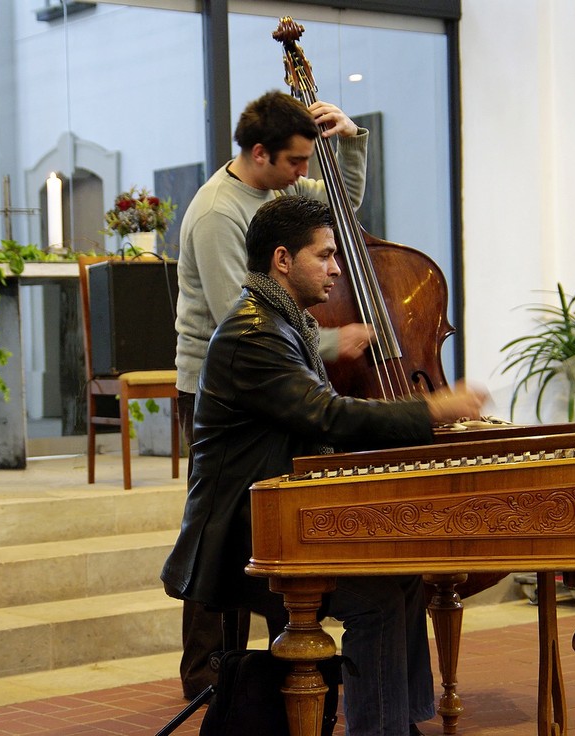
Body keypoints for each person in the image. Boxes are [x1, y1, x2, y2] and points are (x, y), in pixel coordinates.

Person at [162, 196, 489, 736]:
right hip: (245, 534)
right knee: (379, 598)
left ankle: (399, 724)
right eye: (326, 255)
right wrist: (430, 408)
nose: (338, 268)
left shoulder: (283, 322)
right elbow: (325, 414)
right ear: (283, 260)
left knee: (403, 579)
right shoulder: (254, 333)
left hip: (286, 517)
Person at [173, 89, 373, 698]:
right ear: (260, 154)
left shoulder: (281, 189)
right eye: (295, 164)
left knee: (272, 523)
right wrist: (335, 344)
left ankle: (267, 671)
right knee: (221, 526)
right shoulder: (217, 213)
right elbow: (246, 305)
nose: (304, 176)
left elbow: (341, 204)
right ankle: (208, 672)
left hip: (280, 366)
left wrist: (353, 139)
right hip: (223, 380)